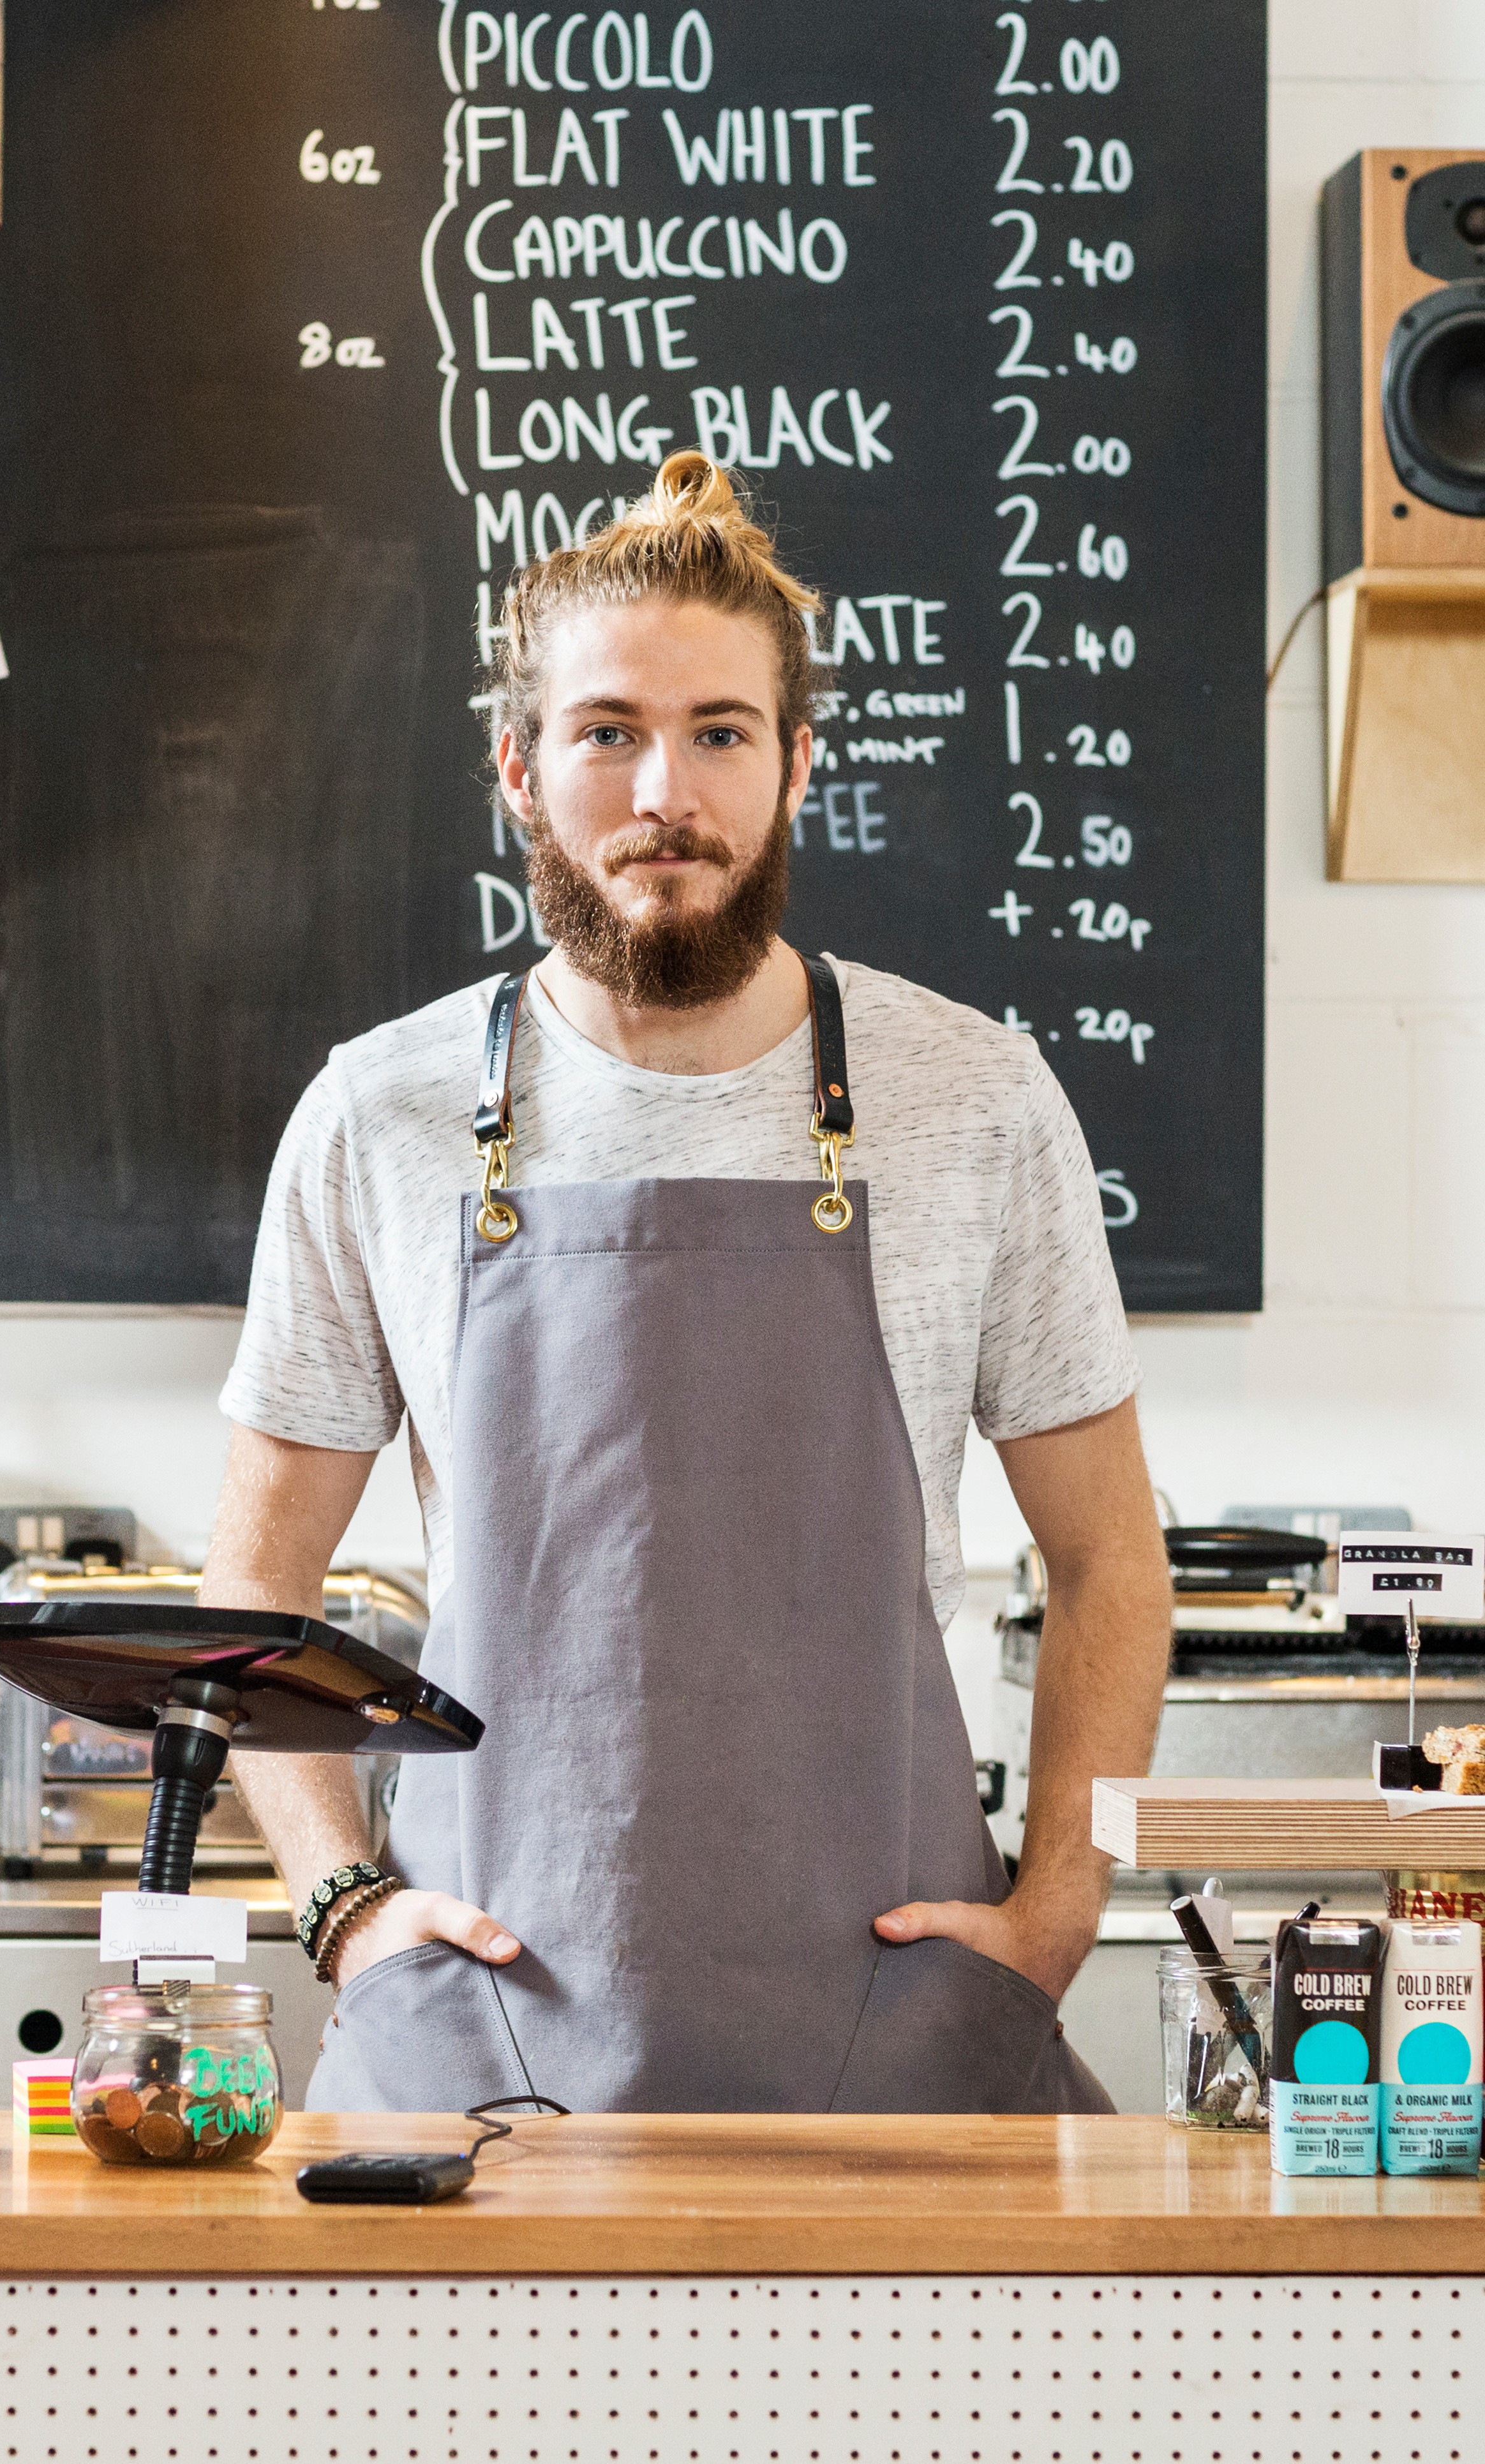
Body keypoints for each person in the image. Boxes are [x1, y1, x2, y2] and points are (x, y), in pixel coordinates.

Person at [202, 454, 1168, 2115]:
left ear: (798, 762)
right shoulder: (383, 1113)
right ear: (520, 765)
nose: (668, 792)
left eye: (722, 732)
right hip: (481, 2026)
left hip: (899, 2038)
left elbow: (1110, 1561)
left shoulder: (977, 1099)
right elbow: (256, 1583)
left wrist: (1056, 1917)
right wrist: (347, 1910)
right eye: (608, 733)